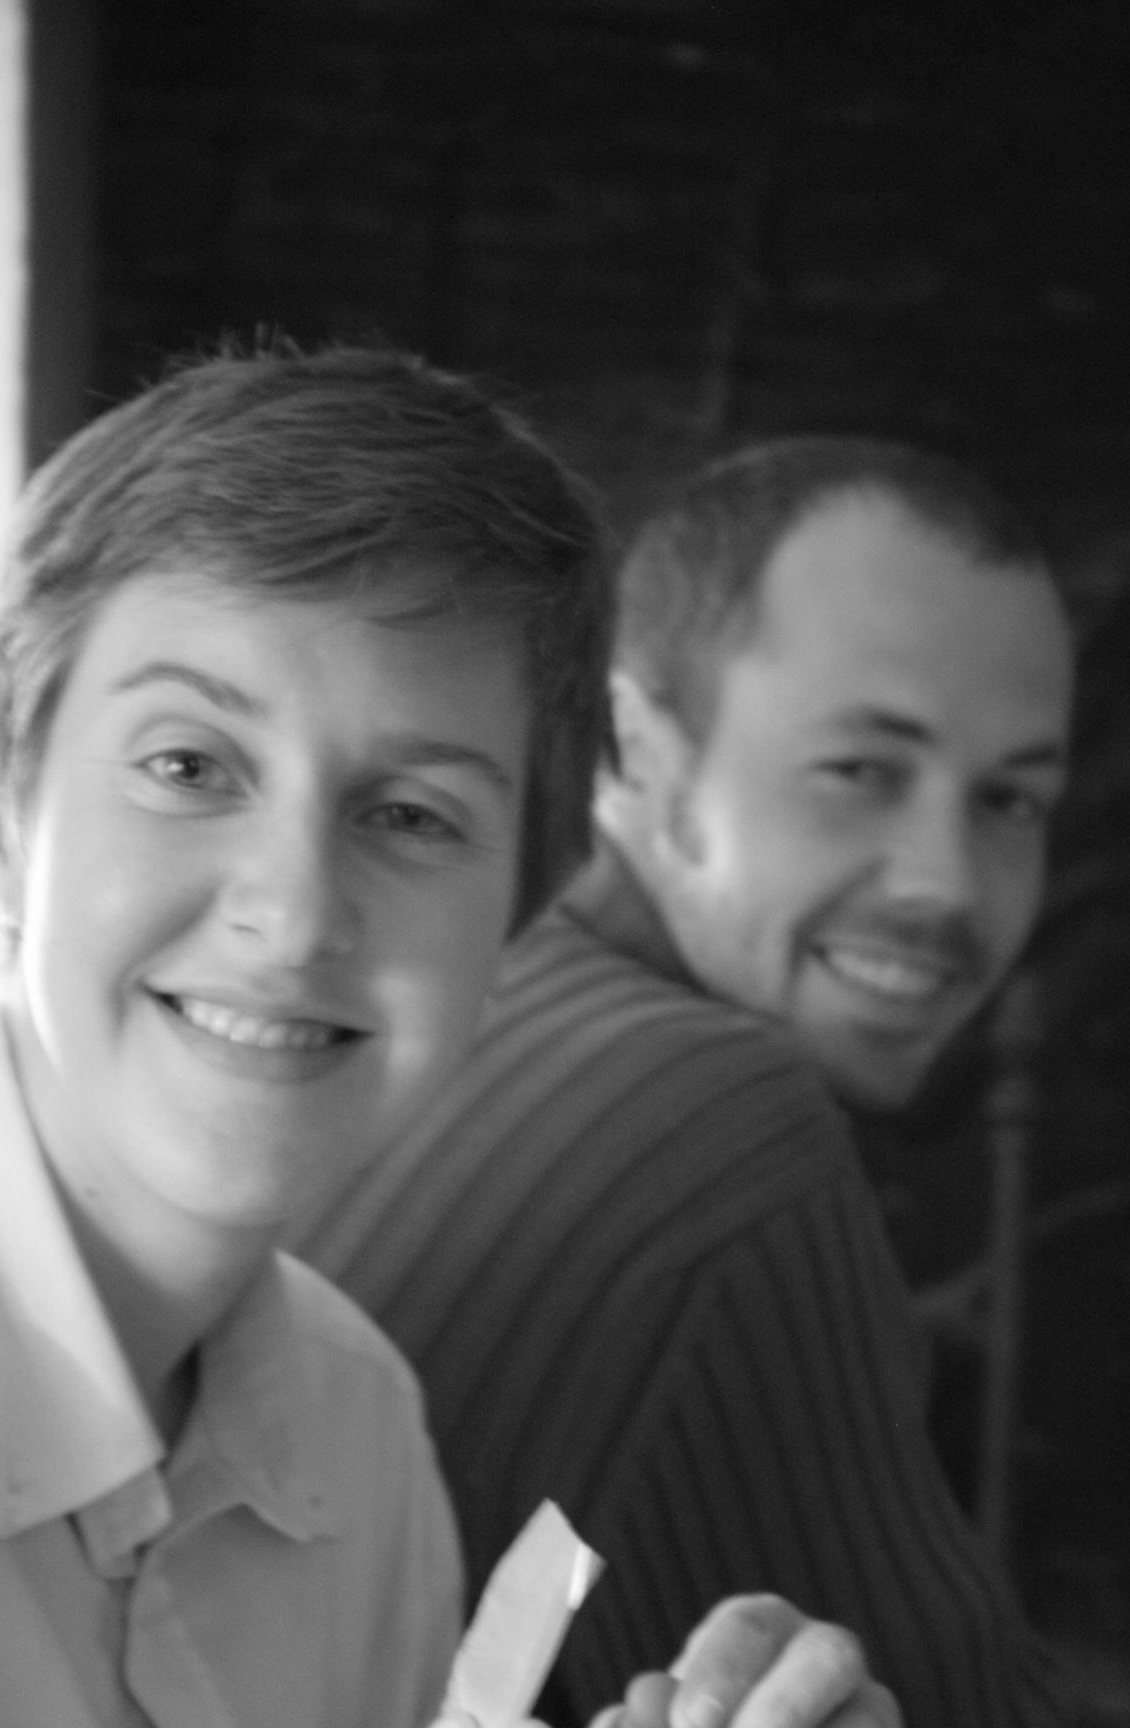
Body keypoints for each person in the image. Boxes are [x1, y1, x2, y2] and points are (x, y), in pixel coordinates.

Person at [0, 351, 895, 1728]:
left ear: (516, 920)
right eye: (186, 766)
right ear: (3, 815)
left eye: (411, 815)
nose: (295, 917)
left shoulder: (358, 1428)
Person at [301, 436, 1079, 1728]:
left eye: (1012, 802)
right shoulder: (727, 1124)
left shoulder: (457, 1000)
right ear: (634, 753)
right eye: (861, 772)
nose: (946, 880)